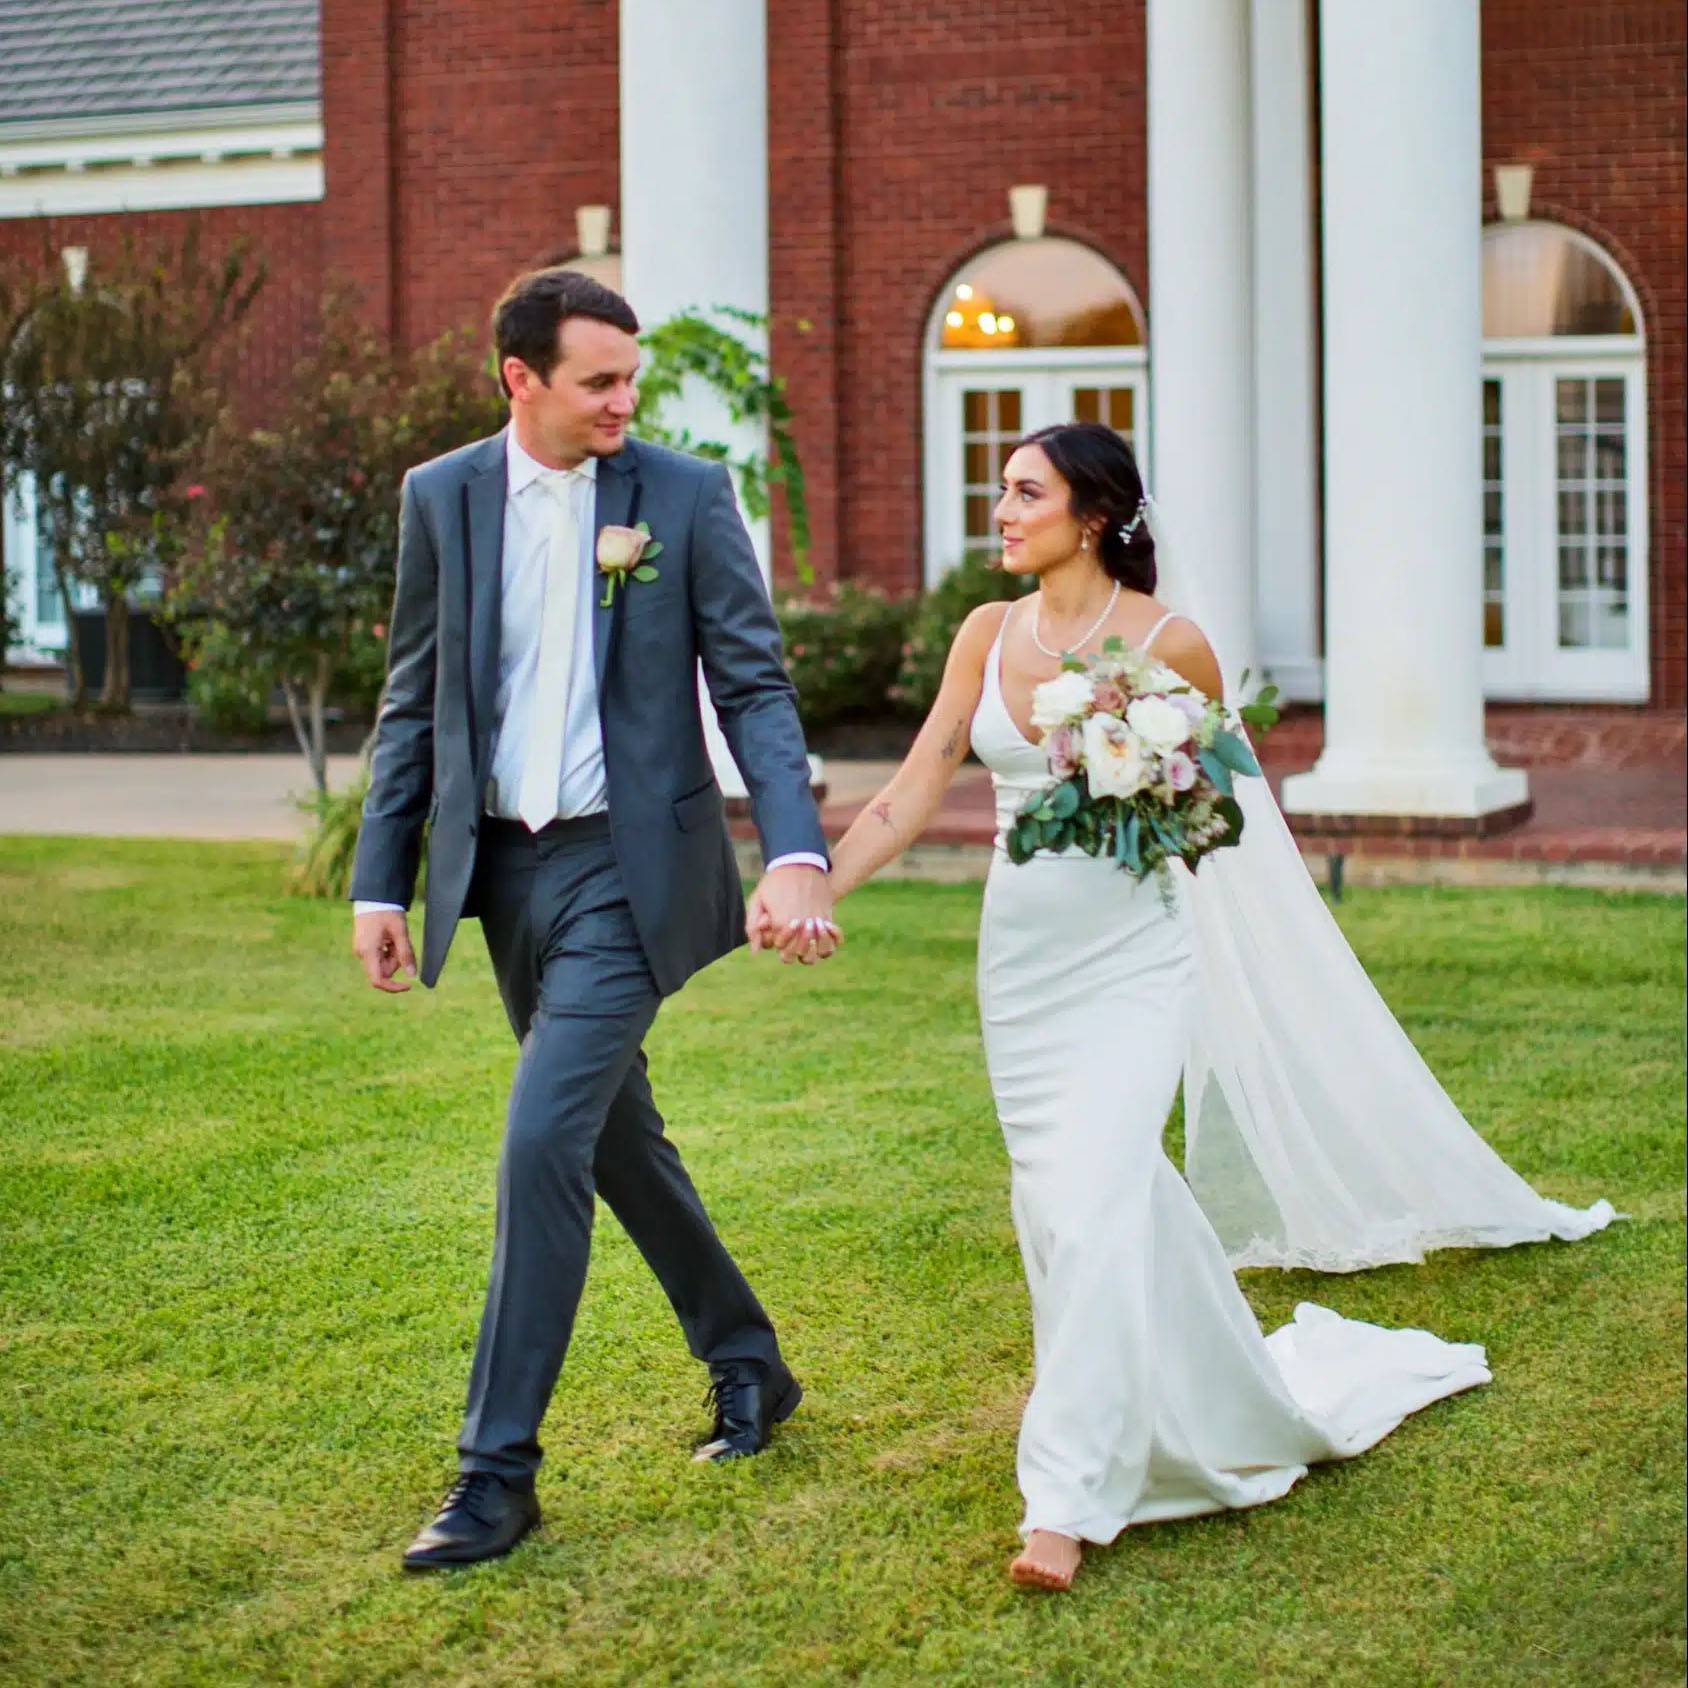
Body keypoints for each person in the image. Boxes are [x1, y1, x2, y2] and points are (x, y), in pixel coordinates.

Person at [812, 421, 1611, 1591]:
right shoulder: (984, 635)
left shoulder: (1167, 642)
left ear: (1091, 514)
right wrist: (811, 884)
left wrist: (1131, 771)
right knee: (1072, 1201)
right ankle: (1220, 1398)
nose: (1001, 509)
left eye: (1023, 491)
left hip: (1133, 961)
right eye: (1001, 491)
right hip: (1020, 965)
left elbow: (1221, 818)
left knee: (1088, 1199)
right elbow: (915, 782)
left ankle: (1066, 1498)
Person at [350, 267, 840, 1571]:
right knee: (616, 1139)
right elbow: (414, 699)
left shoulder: (680, 496)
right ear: (520, 380)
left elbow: (753, 682)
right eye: (599, 382)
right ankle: (750, 1362)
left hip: (629, 877)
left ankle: (494, 1474)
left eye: (632, 379)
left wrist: (795, 848)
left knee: (539, 1141)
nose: (627, 401)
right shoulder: (443, 499)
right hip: (502, 879)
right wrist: (379, 877)